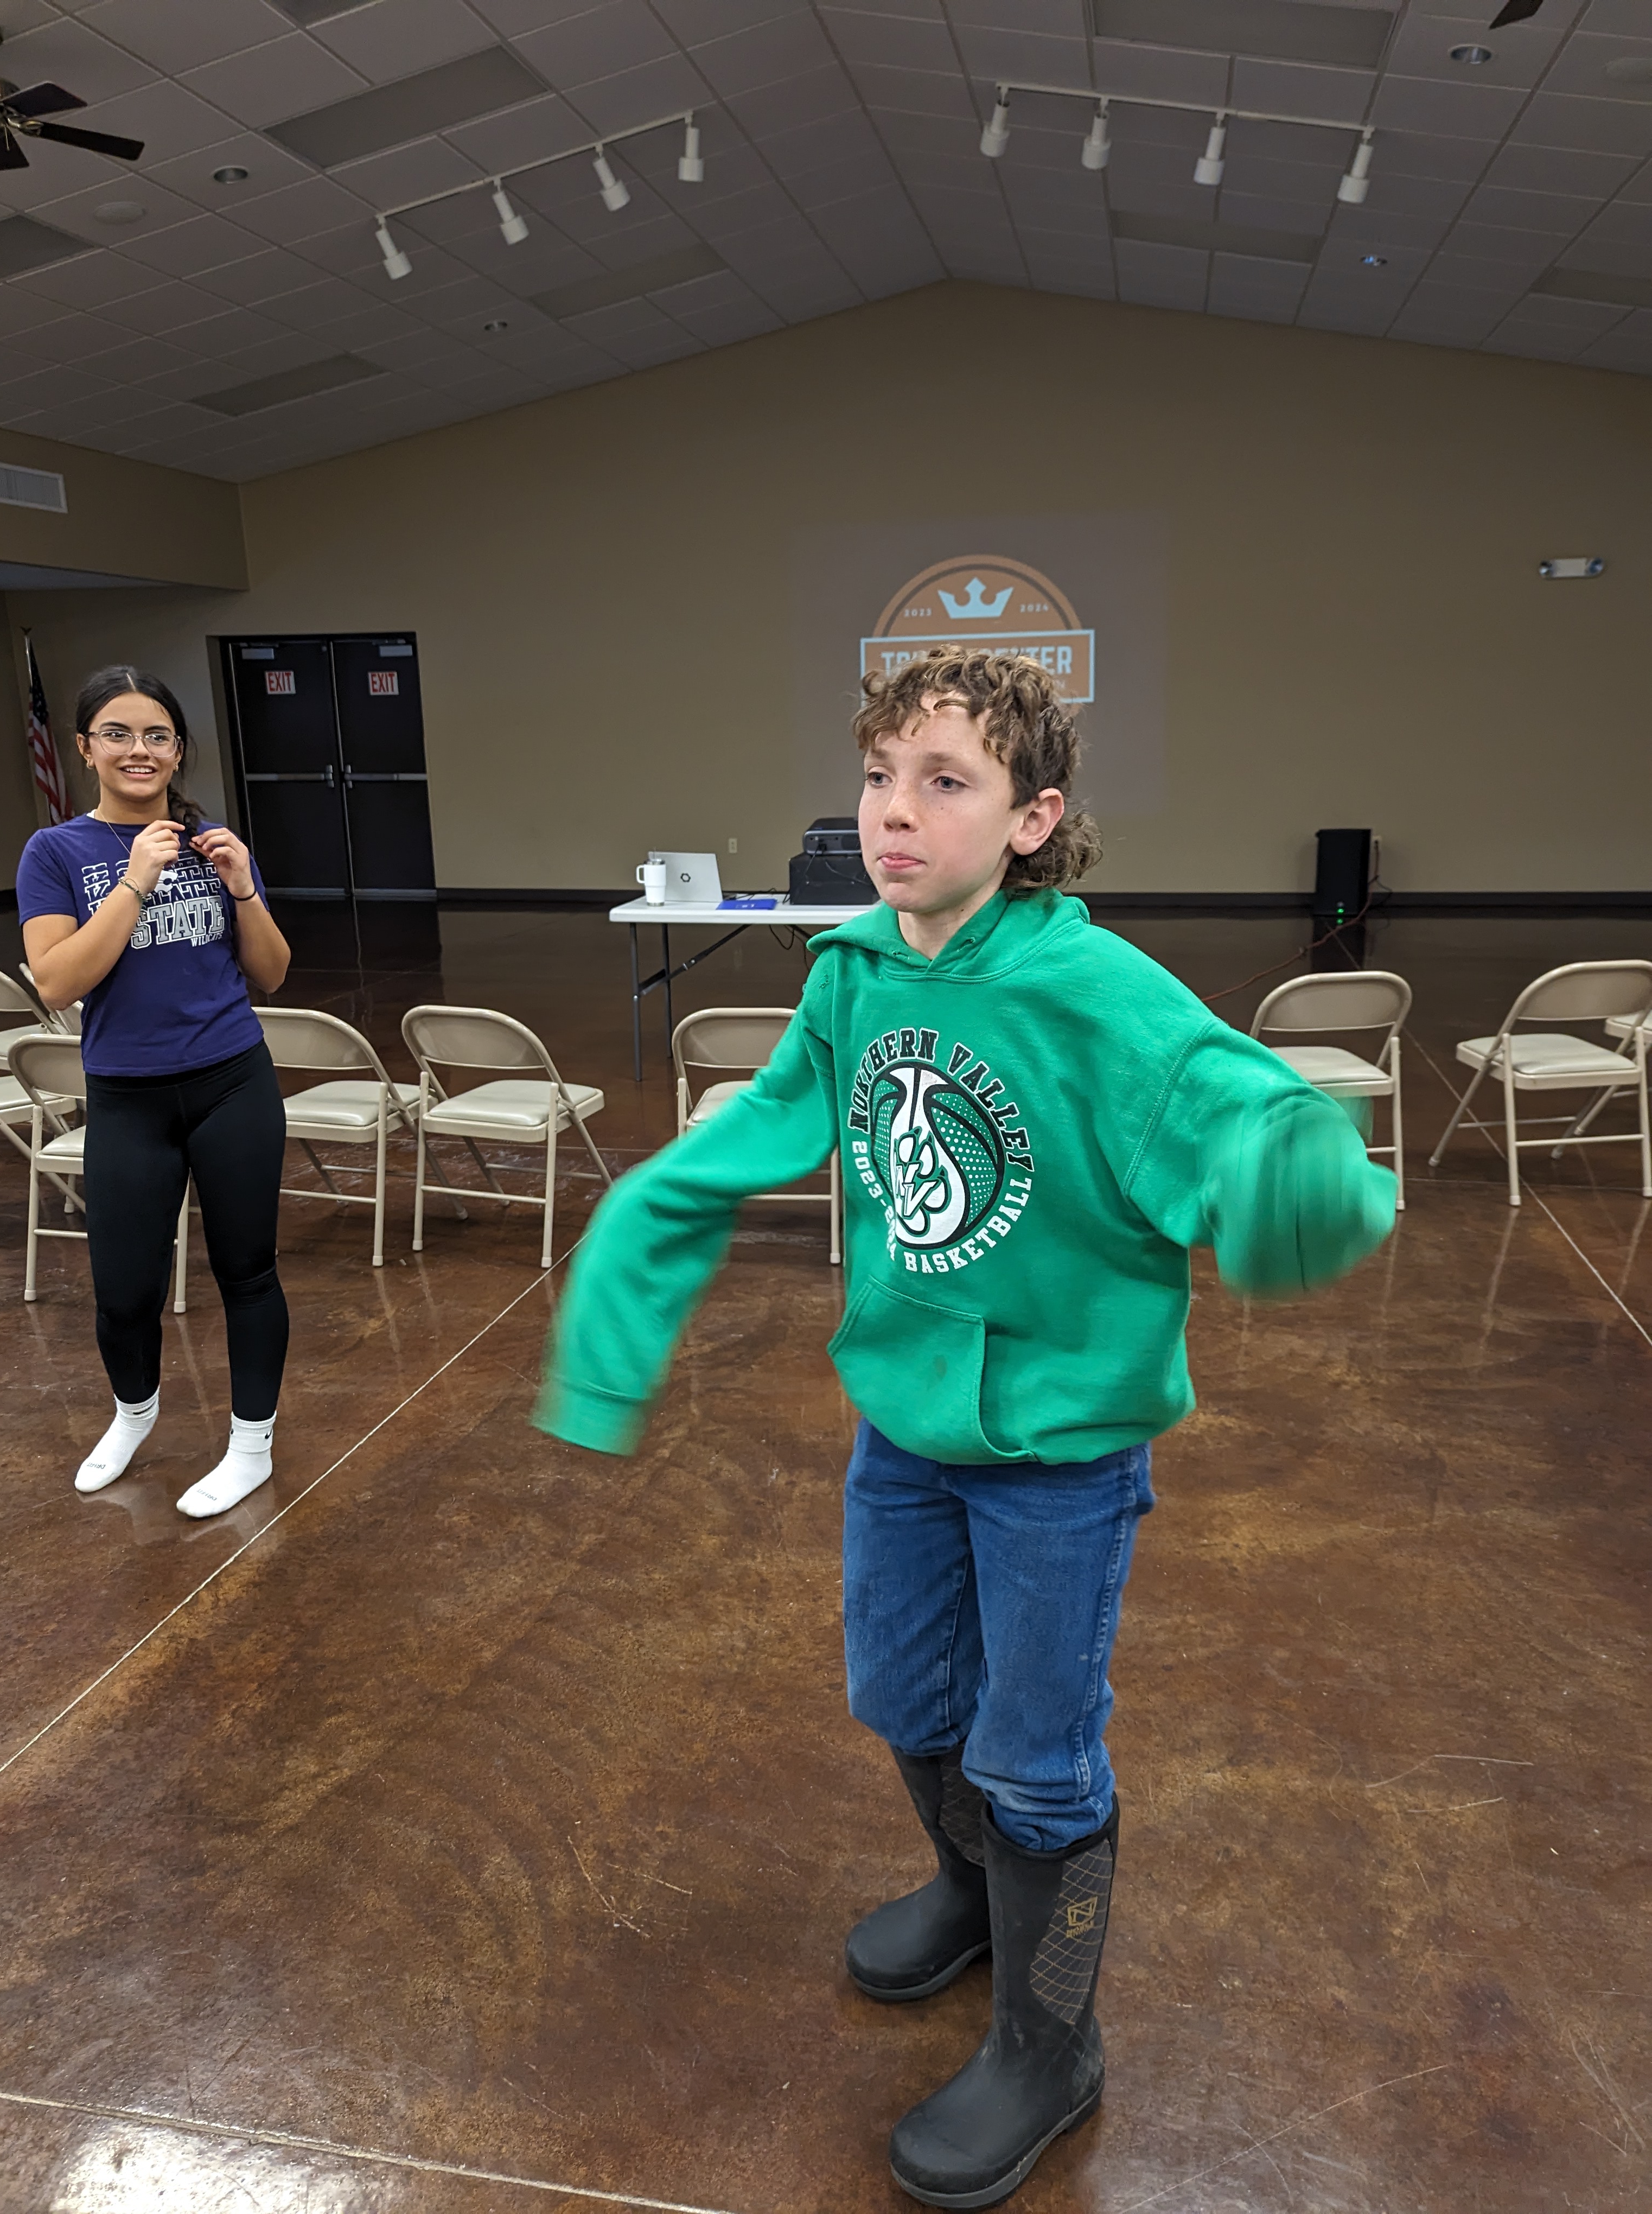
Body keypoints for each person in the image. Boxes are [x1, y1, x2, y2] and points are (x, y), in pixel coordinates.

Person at [533, 650, 1396, 2208]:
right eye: (879, 777)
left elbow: (1238, 1104)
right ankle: (971, 1892)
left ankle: (1051, 2048)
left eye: (945, 782)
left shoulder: (1096, 992)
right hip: (906, 1425)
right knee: (902, 1691)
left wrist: (1299, 1176)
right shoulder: (852, 972)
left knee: (1040, 1755)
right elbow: (759, 1128)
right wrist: (626, 1289)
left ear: (1031, 818)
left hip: (1062, 1453)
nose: (894, 812)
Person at [18, 666, 294, 1520]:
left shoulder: (213, 844)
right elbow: (58, 982)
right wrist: (135, 879)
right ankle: (134, 1416)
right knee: (124, 1289)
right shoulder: (55, 853)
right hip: (128, 1098)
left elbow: (273, 974)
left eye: (156, 735)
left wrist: (242, 886)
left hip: (232, 1082)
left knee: (248, 1272)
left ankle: (252, 1446)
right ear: (84, 748)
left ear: (178, 751)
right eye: (118, 734)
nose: (138, 750)